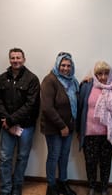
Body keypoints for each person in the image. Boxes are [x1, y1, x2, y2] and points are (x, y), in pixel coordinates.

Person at [77, 61, 112, 195]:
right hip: (89, 134)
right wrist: (79, 131)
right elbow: (80, 109)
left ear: (110, 73)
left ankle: (104, 188)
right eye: (99, 74)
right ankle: (92, 186)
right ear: (95, 75)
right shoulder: (87, 86)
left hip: (108, 135)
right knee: (90, 163)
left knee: (106, 163)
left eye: (106, 73)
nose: (103, 77)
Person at [0, 48, 40, 195]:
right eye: (13, 58)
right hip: (6, 126)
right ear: (9, 60)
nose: (15, 60)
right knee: (5, 158)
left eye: (18, 58)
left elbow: (31, 104)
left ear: (24, 59)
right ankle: (5, 189)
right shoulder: (2, 78)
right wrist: (6, 120)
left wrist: (10, 120)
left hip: (26, 126)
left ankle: (17, 187)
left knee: (22, 157)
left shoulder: (32, 79)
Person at [40, 52, 79, 195]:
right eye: (63, 65)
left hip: (69, 128)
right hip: (54, 128)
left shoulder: (73, 81)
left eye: (69, 65)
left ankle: (63, 183)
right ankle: (51, 186)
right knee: (54, 156)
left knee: (64, 156)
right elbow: (47, 107)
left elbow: (76, 99)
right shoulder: (50, 80)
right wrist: (62, 126)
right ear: (57, 65)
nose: (65, 68)